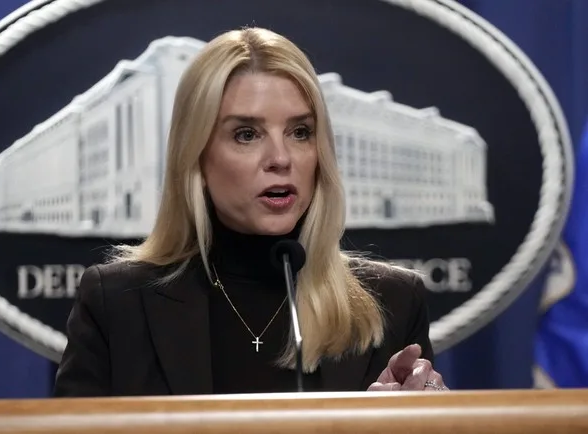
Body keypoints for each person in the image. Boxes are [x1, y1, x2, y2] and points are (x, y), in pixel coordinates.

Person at [53, 27, 448, 397]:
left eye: (300, 132)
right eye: (246, 134)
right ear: (197, 157)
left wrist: (427, 421)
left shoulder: (393, 301)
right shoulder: (118, 303)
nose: (280, 158)